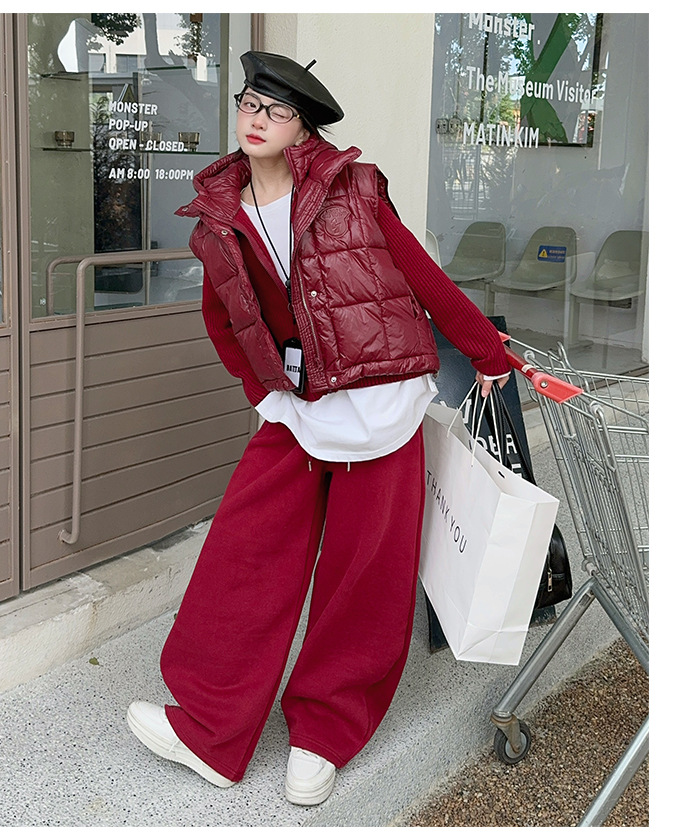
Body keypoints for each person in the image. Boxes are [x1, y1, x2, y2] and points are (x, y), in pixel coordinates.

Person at [127, 50, 510, 806]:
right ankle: (210, 731)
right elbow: (223, 321)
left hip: (381, 399)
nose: (256, 119)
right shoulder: (218, 217)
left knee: (364, 576)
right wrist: (262, 394)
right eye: (249, 103)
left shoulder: (354, 187)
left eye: (276, 110)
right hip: (297, 408)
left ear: (303, 128)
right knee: (243, 555)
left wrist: (486, 351)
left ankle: (322, 736)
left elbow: (419, 274)